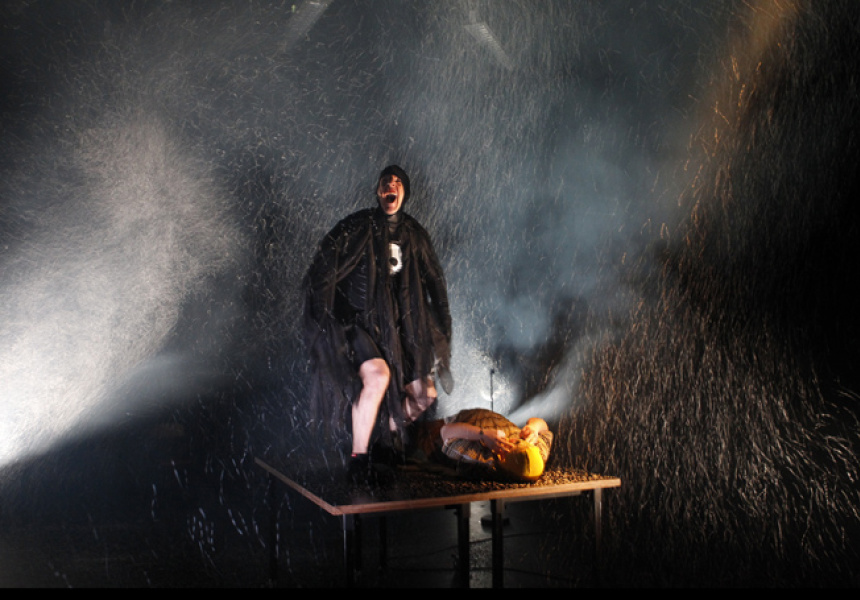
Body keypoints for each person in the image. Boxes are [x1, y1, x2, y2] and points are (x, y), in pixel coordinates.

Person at [302, 165, 453, 483]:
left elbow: (435, 284)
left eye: (398, 182)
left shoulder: (415, 235)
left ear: (404, 193)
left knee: (425, 395)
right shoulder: (357, 225)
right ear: (378, 191)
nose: (391, 185)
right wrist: (325, 317)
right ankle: (358, 459)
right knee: (378, 376)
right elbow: (324, 265)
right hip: (359, 324)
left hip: (401, 330)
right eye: (386, 181)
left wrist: (443, 331)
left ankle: (383, 436)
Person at [414, 408, 554, 482]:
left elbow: (446, 431)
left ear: (502, 456)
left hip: (446, 428)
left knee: (414, 432)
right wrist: (534, 428)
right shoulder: (537, 455)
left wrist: (482, 434)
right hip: (482, 416)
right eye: (527, 442)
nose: (519, 439)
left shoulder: (477, 457)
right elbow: (542, 425)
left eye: (516, 443)